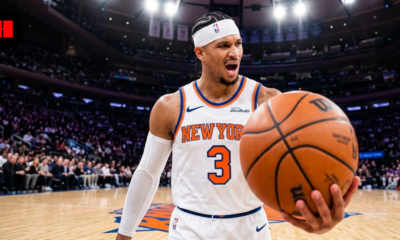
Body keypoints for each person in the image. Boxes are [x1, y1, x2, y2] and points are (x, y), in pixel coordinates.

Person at [116, 12, 360, 240]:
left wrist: (319, 212)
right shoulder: (171, 106)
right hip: (190, 227)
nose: (235, 52)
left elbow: (300, 162)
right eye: (223, 45)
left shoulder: (268, 101)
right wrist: (124, 233)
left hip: (250, 226)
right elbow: (147, 174)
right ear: (200, 52)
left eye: (238, 43)